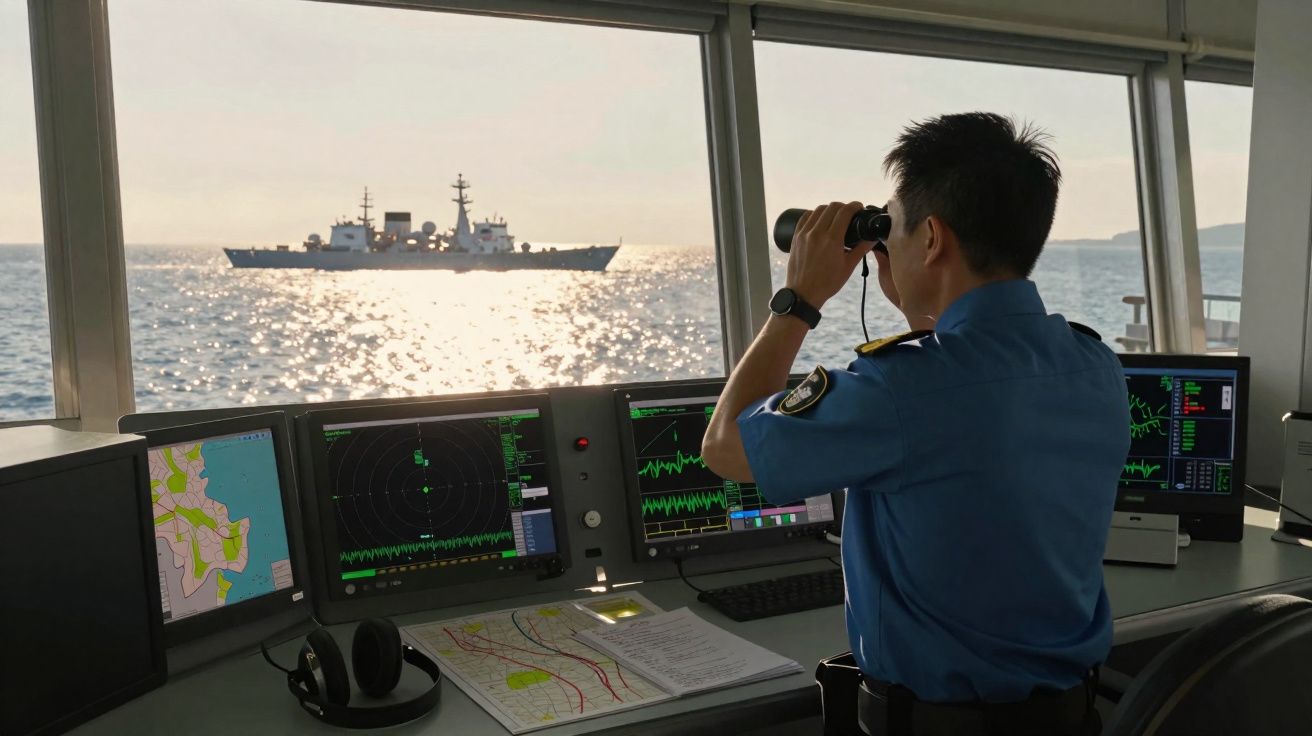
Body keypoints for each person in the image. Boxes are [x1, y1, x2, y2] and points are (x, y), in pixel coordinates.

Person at [702, 112, 1130, 736]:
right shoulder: (1094, 364)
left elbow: (726, 445)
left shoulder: (901, 388)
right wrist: (920, 290)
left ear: (932, 238)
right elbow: (969, 391)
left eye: (894, 230)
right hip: (1069, 718)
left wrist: (799, 300)